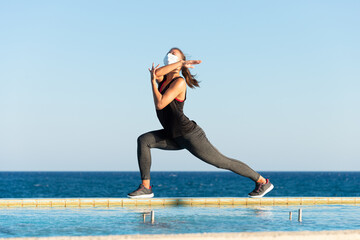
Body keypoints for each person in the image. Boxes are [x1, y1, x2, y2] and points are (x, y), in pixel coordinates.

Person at [127, 48, 274, 199]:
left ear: (180, 63)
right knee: (144, 140)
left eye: (173, 54)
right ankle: (146, 187)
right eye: (169, 53)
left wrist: (156, 81)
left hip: (189, 135)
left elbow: (160, 104)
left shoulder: (179, 83)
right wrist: (167, 71)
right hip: (173, 135)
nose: (169, 55)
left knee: (221, 162)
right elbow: (156, 73)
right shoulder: (164, 80)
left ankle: (262, 181)